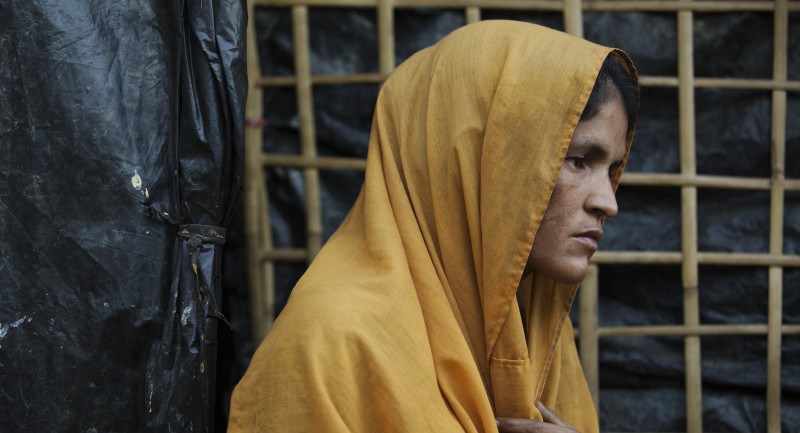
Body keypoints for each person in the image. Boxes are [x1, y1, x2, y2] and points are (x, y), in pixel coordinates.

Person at [229, 20, 639, 433]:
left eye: (612, 168)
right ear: (472, 158)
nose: (608, 202)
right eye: (579, 159)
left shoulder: (537, 327)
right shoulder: (331, 346)